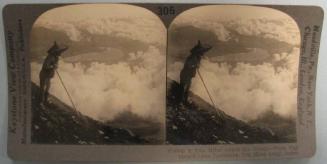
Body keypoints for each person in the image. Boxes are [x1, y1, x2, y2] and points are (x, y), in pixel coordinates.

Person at [179, 40, 212, 104]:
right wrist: (195, 65)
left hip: (189, 75)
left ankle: (184, 101)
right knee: (184, 87)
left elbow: (196, 65)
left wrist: (197, 65)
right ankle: (180, 102)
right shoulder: (192, 57)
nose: (203, 54)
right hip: (185, 75)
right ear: (198, 52)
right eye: (202, 52)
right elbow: (188, 65)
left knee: (187, 87)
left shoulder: (197, 57)